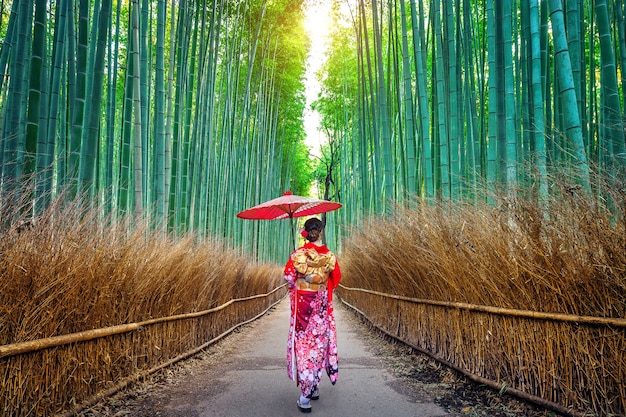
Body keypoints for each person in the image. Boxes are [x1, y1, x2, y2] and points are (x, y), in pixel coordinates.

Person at [284, 217, 341, 413]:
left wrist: (298, 271)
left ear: (307, 232)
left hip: (303, 305)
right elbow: (337, 278)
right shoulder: (330, 255)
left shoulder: (299, 254)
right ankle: (314, 385)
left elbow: (289, 278)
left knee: (304, 345)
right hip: (321, 304)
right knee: (319, 343)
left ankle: (305, 396)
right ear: (321, 231)